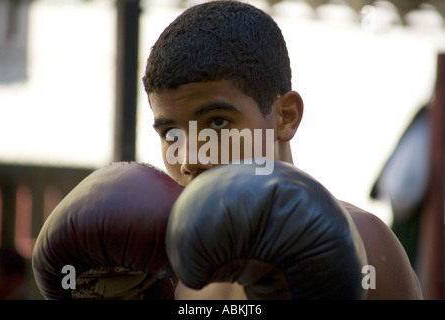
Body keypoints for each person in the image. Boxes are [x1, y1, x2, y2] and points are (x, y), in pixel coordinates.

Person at [143, 0, 423, 299]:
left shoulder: (360, 243)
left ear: (285, 116)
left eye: (217, 122)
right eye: (171, 134)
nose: (189, 159)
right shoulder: (158, 257)